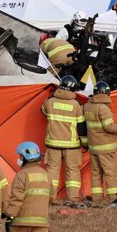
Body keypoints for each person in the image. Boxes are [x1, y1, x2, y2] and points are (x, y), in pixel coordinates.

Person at [83, 81, 117, 205]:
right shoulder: (103, 108)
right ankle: (113, 198)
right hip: (106, 147)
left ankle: (97, 199)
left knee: (96, 173)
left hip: (93, 146)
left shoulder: (87, 106)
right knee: (111, 173)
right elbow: (109, 127)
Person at [40, 75, 86, 204]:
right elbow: (82, 126)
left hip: (52, 143)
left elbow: (43, 111)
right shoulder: (77, 104)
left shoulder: (49, 101)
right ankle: (73, 198)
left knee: (52, 171)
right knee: (72, 172)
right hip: (72, 145)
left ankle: (50, 198)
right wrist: (85, 143)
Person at [5, 142, 51, 232]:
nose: (19, 159)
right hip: (42, 223)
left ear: (26, 157)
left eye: (20, 156)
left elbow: (17, 198)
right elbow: (51, 197)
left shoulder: (21, 175)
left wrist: (10, 216)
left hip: (21, 223)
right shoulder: (46, 175)